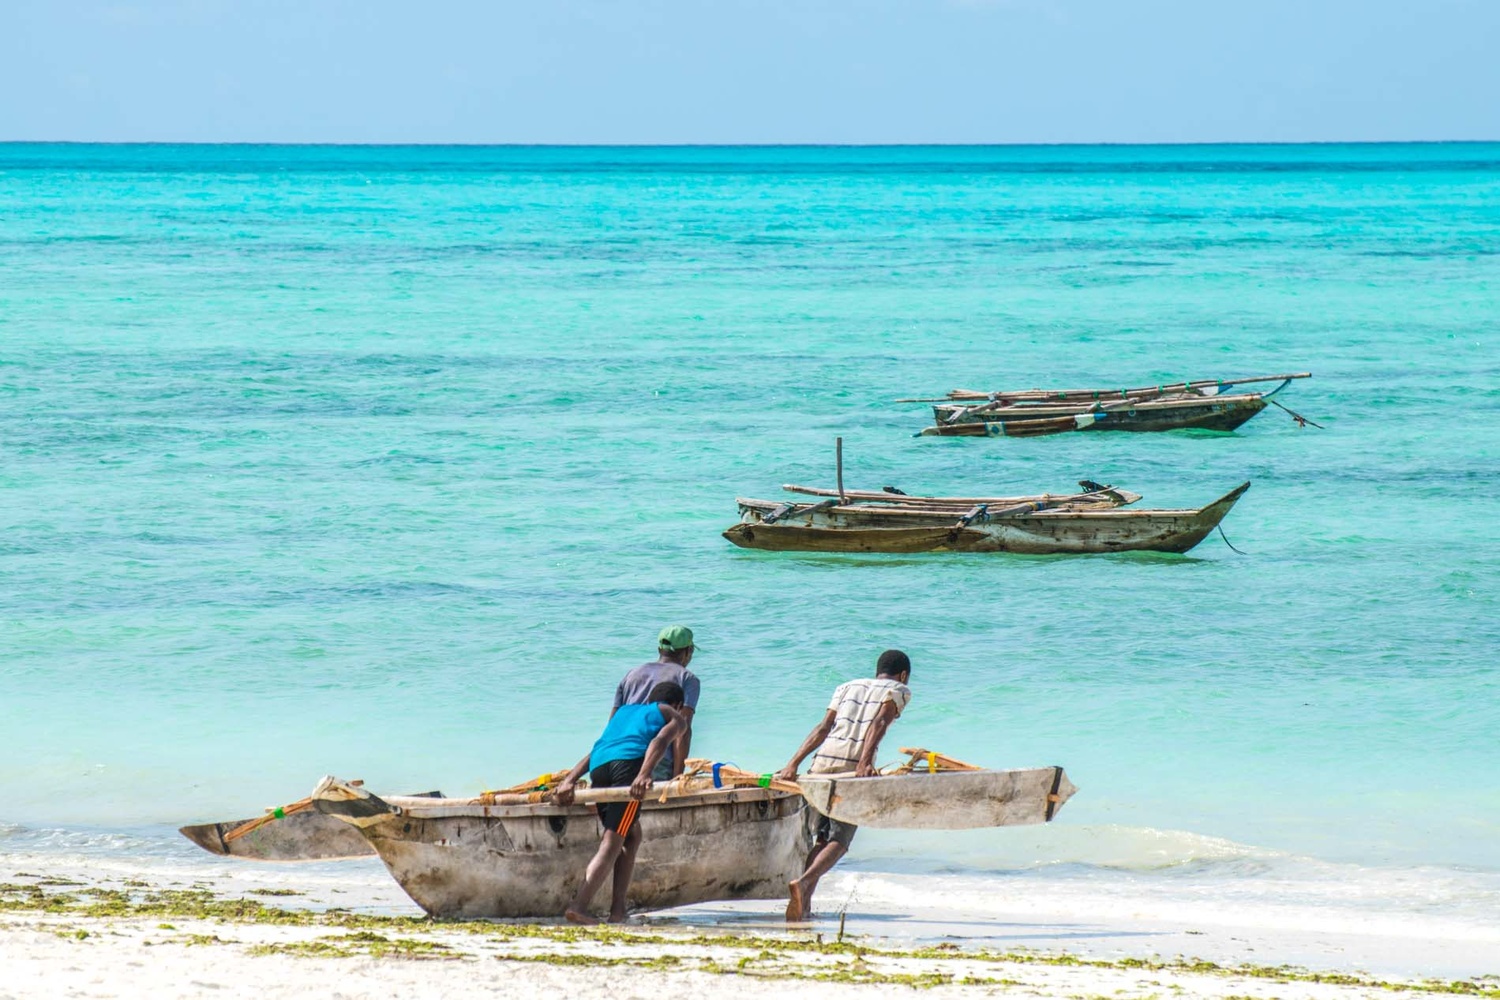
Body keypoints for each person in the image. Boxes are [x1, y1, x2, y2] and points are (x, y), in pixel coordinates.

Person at [774, 649, 912, 923]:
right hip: (850, 771)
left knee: (822, 838)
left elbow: (823, 727)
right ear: (904, 674)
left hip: (821, 765)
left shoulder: (846, 687)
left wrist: (793, 764)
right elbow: (881, 721)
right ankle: (803, 882)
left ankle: (804, 906)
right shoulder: (899, 689)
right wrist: (864, 762)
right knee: (840, 840)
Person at [554, 680, 688, 925]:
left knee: (631, 834)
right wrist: (644, 774)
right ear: (678, 705)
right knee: (613, 840)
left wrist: (569, 780)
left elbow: (596, 749)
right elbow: (659, 741)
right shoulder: (672, 714)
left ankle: (618, 910)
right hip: (628, 768)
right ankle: (579, 906)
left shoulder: (625, 712)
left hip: (600, 768)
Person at [611, 625, 701, 781]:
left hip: (616, 757)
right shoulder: (687, 678)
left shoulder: (631, 675)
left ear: (659, 650)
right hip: (654, 762)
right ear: (689, 651)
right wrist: (677, 777)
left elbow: (613, 724)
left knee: (620, 806)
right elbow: (682, 730)